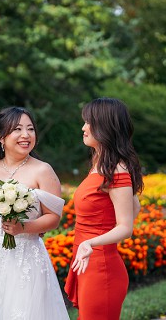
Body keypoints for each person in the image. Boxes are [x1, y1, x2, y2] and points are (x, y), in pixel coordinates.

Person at [0, 106, 69, 319]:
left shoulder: (43, 170)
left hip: (26, 255)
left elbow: (53, 218)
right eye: (18, 129)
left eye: (30, 129)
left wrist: (24, 227)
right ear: (1, 137)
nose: (26, 135)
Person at [64, 97, 143, 319]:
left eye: (89, 122)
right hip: (90, 262)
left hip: (101, 268)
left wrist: (92, 241)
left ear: (106, 126)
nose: (83, 127)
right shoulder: (102, 165)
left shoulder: (116, 170)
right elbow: (134, 207)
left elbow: (126, 227)